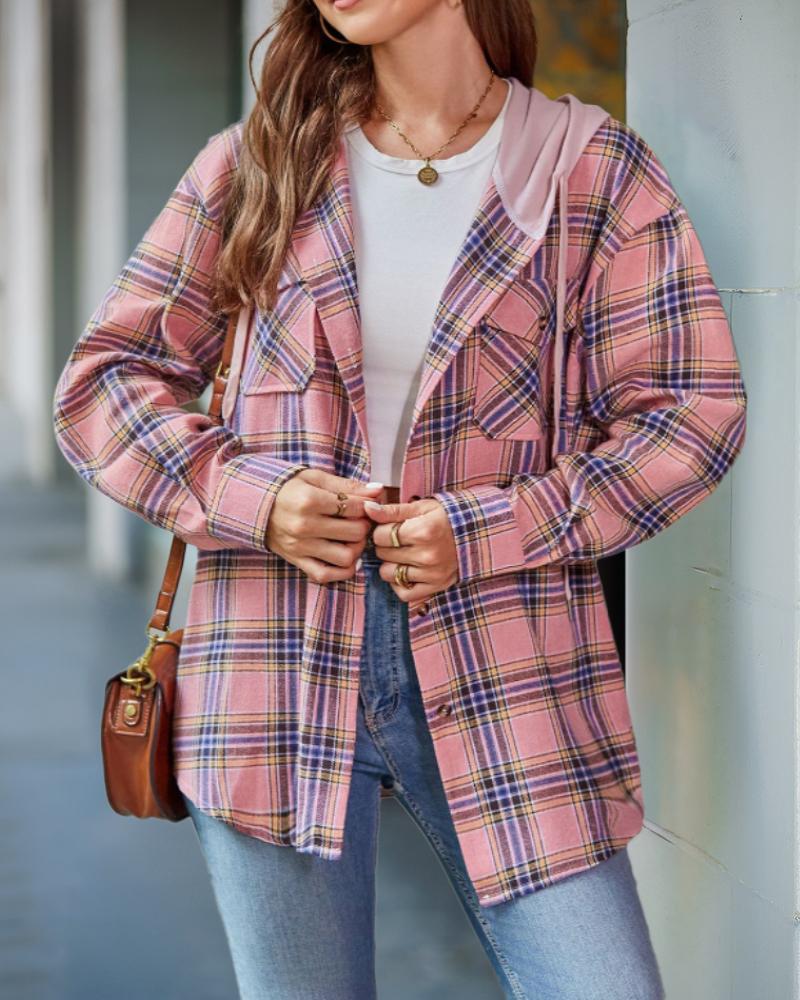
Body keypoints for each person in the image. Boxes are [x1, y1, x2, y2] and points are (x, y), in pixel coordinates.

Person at [52, 1, 747, 997]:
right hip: (271, 669)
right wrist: (259, 495)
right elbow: (104, 381)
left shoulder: (589, 170)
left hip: (510, 666)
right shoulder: (258, 164)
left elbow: (688, 412)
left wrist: (492, 526)